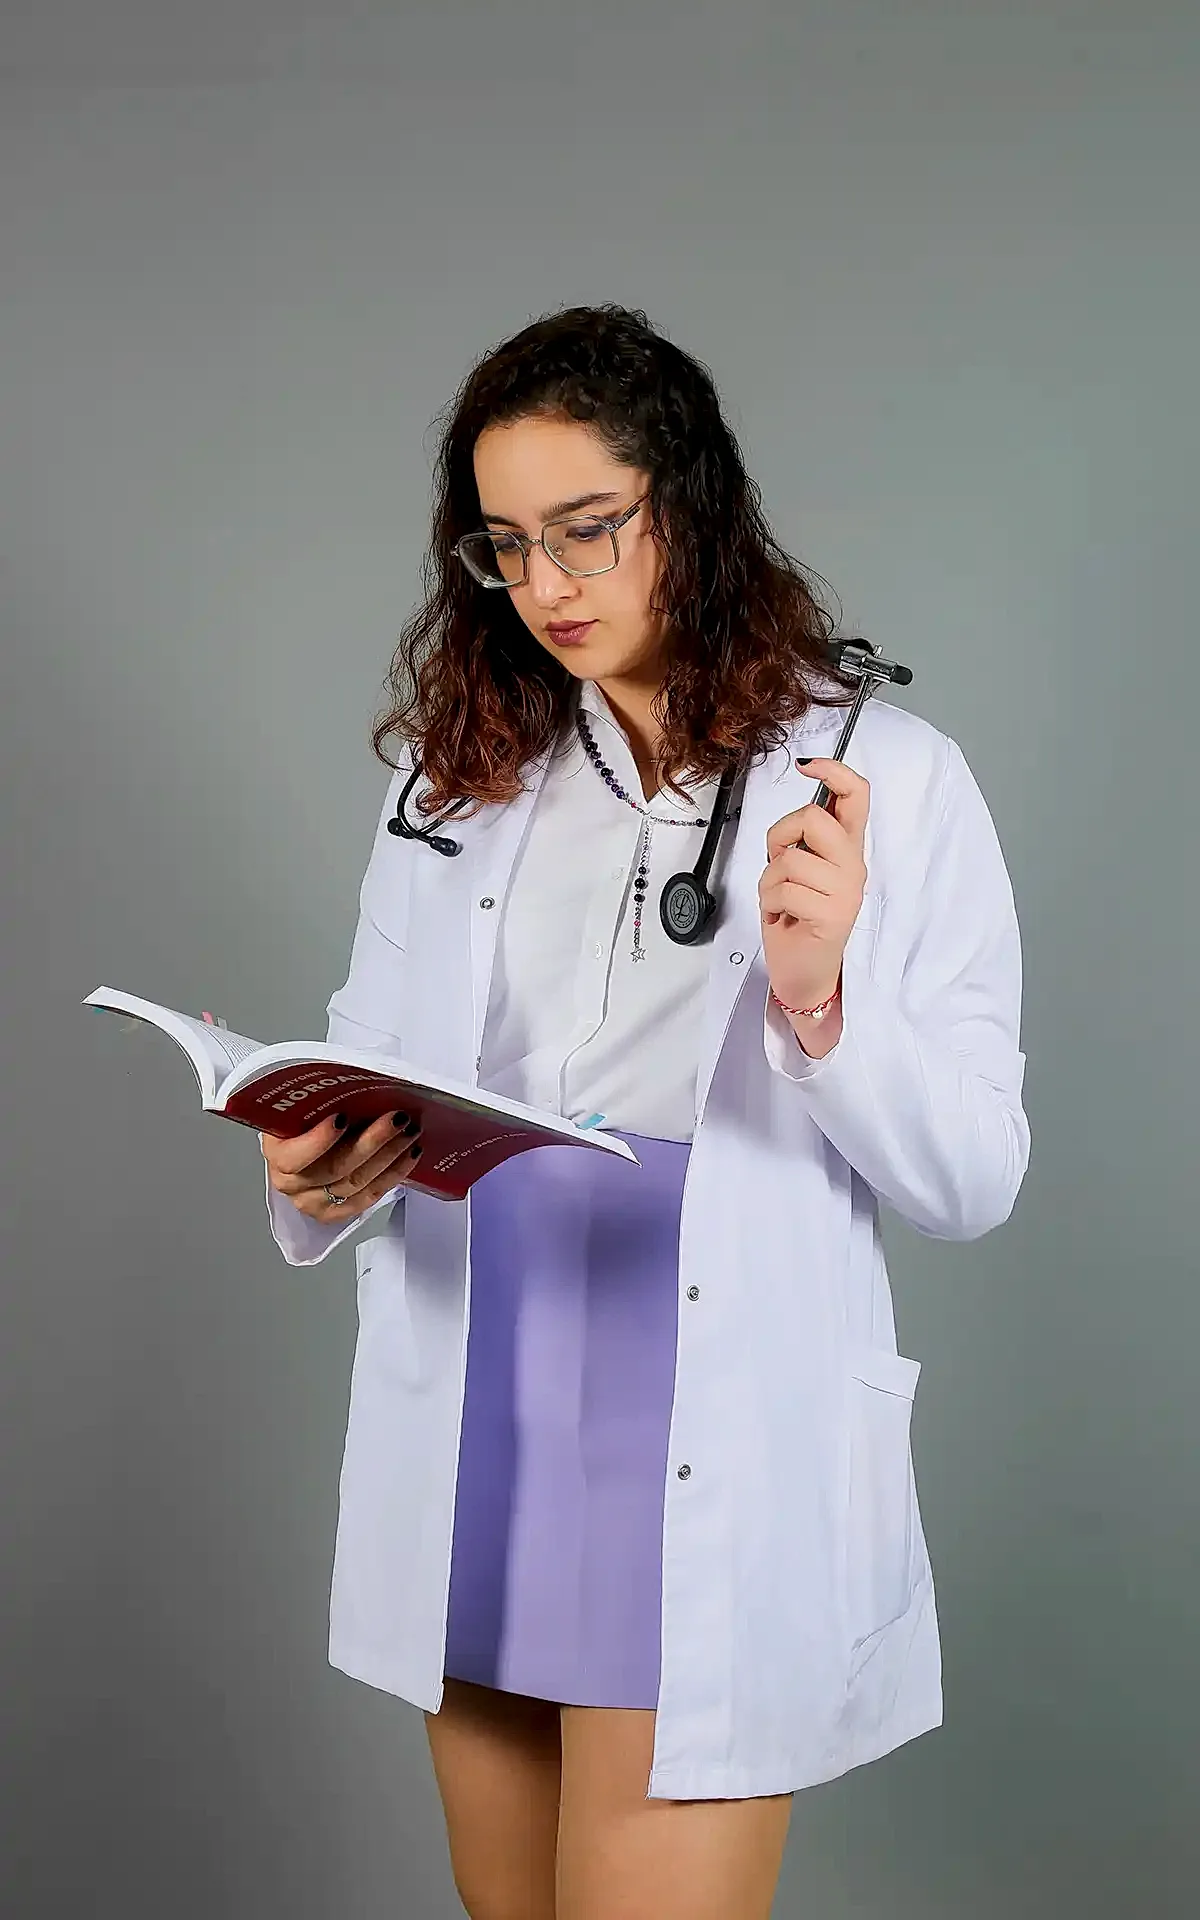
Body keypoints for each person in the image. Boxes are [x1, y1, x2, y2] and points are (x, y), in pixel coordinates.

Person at [260, 304, 1030, 1920]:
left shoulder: (884, 777)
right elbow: (368, 1056)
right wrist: (321, 1170)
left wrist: (824, 1004)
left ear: (690, 504)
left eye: (588, 527)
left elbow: (974, 1178)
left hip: (706, 1428)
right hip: (484, 1416)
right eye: (506, 544)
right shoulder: (453, 783)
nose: (547, 582)